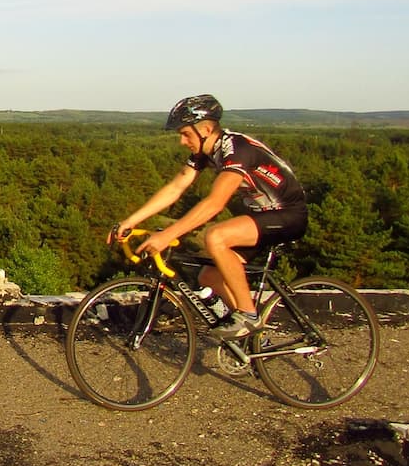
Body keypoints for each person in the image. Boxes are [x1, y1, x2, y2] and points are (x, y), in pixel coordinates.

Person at [113, 94, 308, 339]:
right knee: (210, 277)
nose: (182, 141)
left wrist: (169, 235)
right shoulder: (206, 151)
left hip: (288, 215)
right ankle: (253, 338)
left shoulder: (236, 149)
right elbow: (176, 187)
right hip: (263, 216)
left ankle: (248, 317)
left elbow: (215, 203)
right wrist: (130, 221)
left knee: (216, 236)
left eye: (185, 134)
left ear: (205, 128)